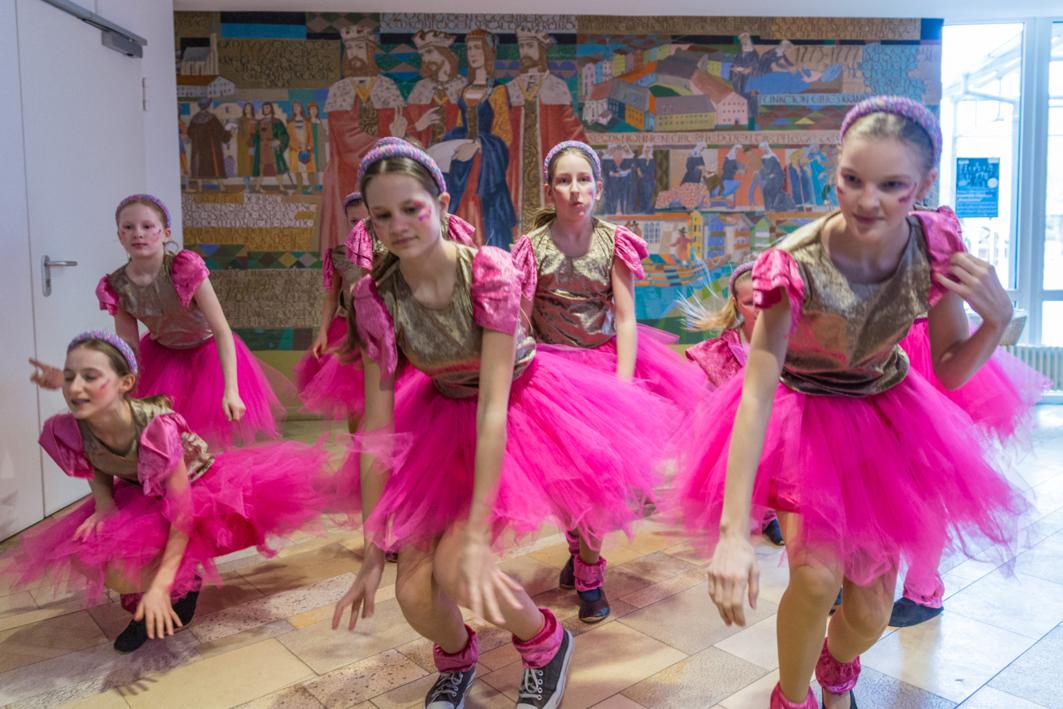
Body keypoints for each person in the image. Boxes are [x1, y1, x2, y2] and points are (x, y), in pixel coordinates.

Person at [674, 96, 1026, 709]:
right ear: (835, 169)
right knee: (815, 580)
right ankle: (791, 698)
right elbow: (757, 390)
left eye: (892, 186)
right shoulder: (794, 264)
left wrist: (993, 324)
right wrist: (733, 533)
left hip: (885, 416)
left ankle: (837, 665)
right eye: (852, 179)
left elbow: (949, 367)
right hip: (804, 417)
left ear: (923, 185)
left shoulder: (934, 247)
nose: (868, 201)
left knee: (870, 612)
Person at [331, 140, 670, 709]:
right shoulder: (376, 295)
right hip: (440, 416)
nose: (399, 226)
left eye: (412, 208)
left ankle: (546, 645)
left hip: (513, 411)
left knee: (459, 568)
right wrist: (370, 549)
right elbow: (378, 433)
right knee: (413, 595)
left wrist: (475, 533)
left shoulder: (487, 271)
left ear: (441, 205)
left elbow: (492, 408)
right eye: (382, 215)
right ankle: (457, 659)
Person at [15, 332, 328, 653]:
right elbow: (96, 459)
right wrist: (105, 503)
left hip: (191, 488)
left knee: (154, 546)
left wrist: (162, 582)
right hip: (140, 486)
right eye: (69, 378)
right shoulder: (69, 427)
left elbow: (182, 513)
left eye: (90, 377)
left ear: (126, 383)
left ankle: (179, 587)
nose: (74, 388)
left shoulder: (155, 428)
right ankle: (153, 599)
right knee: (98, 551)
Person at [512, 140, 703, 619]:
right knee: (561, 480)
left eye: (584, 180)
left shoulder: (613, 242)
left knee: (597, 479)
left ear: (598, 187)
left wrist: (622, 385)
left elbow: (625, 318)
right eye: (564, 181)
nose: (575, 190)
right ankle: (577, 545)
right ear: (550, 190)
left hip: (602, 369)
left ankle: (590, 573)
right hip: (550, 375)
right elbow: (522, 320)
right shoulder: (532, 248)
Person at [888, 316, 1051, 627]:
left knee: (927, 482)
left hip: (925, 355)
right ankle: (855, 577)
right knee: (861, 475)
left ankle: (923, 589)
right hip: (870, 352)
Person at [95, 195, 283, 446]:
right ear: (120, 236)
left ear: (165, 233)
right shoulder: (117, 286)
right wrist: (124, 393)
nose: (137, 233)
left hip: (208, 354)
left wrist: (231, 390)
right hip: (163, 357)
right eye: (128, 227)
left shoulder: (184, 269)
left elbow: (221, 330)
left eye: (147, 226)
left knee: (208, 442)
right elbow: (129, 347)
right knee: (167, 440)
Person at [683, 262, 784, 546]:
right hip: (738, 425)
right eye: (750, 303)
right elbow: (702, 394)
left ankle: (770, 514)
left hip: (779, 420)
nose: (759, 308)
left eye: (765, 300)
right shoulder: (722, 349)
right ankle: (746, 513)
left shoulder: (787, 343)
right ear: (737, 304)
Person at [294, 192, 371, 432]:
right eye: (354, 220)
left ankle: (384, 448)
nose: (359, 226)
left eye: (365, 220)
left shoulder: (388, 252)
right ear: (346, 220)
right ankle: (358, 447)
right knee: (355, 399)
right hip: (348, 330)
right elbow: (331, 298)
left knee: (386, 395)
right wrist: (322, 333)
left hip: (380, 330)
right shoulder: (339, 255)